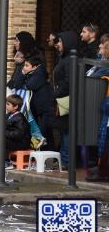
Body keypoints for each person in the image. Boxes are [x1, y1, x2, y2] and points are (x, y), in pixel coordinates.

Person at [53, 31, 79, 167]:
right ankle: (64, 160)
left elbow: (69, 81)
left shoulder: (70, 60)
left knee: (67, 130)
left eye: (61, 41)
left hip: (66, 99)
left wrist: (56, 93)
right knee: (64, 130)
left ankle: (68, 161)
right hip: (62, 98)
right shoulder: (64, 58)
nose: (58, 44)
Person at [20, 54, 56, 150]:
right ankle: (49, 154)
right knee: (46, 132)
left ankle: (45, 154)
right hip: (39, 107)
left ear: (35, 66)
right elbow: (17, 83)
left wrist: (24, 77)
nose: (24, 68)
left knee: (43, 132)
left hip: (45, 107)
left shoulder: (39, 73)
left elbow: (29, 85)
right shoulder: (33, 73)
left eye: (27, 65)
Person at [5, 94, 31, 168]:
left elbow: (18, 134)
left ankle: (7, 162)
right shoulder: (9, 115)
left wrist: (2, 133)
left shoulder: (19, 118)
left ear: (15, 107)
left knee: (1, 140)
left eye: (8, 104)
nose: (6, 106)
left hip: (21, 143)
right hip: (13, 140)